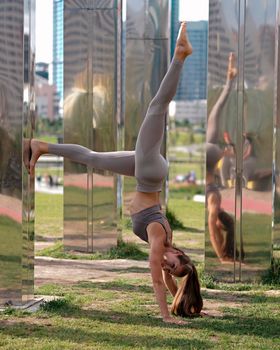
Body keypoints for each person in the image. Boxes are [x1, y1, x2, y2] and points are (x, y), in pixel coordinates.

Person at [27, 23, 203, 324]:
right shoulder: (160, 239)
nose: (167, 266)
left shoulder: (165, 248)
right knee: (157, 107)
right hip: (148, 171)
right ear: (180, 254)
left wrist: (183, 302)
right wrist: (166, 317)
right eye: (173, 264)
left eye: (171, 268)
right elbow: (158, 281)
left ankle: (41, 146)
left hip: (144, 172)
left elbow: (170, 280)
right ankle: (180, 55)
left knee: (92, 157)